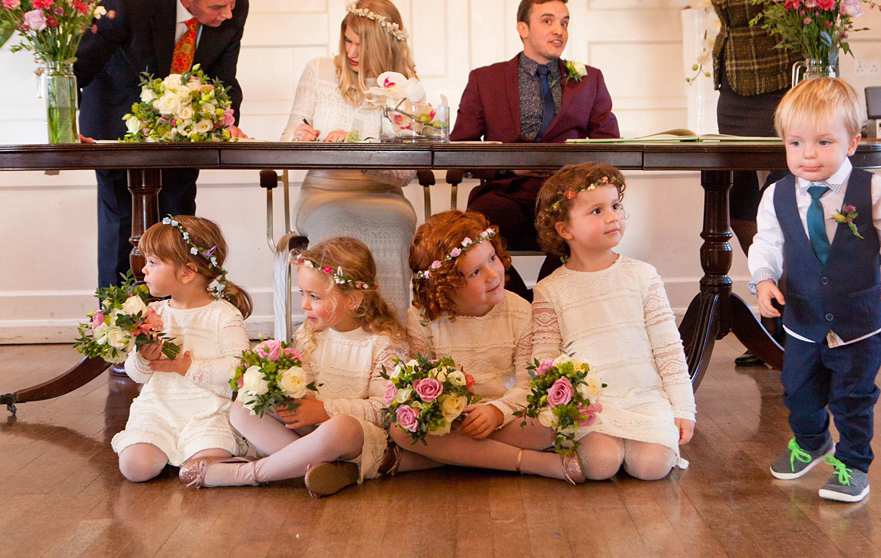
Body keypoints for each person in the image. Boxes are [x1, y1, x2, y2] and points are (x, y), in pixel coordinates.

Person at [748, 77, 881, 502]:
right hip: (804, 317)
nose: (808, 154)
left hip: (861, 319)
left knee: (852, 394)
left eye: (824, 142)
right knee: (797, 388)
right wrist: (764, 279)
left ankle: (854, 463)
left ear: (851, 142)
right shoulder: (776, 195)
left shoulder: (873, 189)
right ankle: (811, 441)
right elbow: (766, 242)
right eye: (795, 143)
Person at [180, 237, 435, 496]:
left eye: (314, 296)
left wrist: (324, 411)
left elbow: (383, 410)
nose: (304, 304)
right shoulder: (309, 333)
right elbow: (301, 386)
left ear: (353, 299)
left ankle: (250, 473)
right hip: (309, 429)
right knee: (243, 407)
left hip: (352, 435)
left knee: (339, 428)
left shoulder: (385, 342)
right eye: (302, 293)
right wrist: (280, 393)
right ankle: (321, 466)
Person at [75, 0, 249, 288]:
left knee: (179, 219)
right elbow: (83, 63)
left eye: (232, 0)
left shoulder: (235, 8)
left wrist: (228, 124)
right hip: (114, 125)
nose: (228, 12)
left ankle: (178, 315)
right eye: (218, 5)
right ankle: (119, 323)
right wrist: (65, 126)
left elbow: (224, 77)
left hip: (182, 131)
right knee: (122, 223)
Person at [390, 210, 585, 484]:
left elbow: (528, 386)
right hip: (451, 422)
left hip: (508, 415)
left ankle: (436, 458)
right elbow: (418, 389)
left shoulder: (519, 311)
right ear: (445, 287)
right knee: (401, 428)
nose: (494, 274)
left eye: (492, 258)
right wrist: (445, 413)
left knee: (548, 426)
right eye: (475, 272)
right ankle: (528, 462)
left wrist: (496, 412)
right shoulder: (422, 319)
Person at [450, 0, 620, 301]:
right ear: (523, 29)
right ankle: (519, 305)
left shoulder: (590, 79)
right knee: (481, 220)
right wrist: (508, 166)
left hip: (568, 196)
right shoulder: (484, 80)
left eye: (565, 23)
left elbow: (607, 143)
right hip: (507, 194)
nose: (559, 30)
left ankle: (545, 301)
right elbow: (461, 145)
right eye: (548, 21)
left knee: (581, 222)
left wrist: (571, 173)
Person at [532, 163, 696, 481]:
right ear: (565, 229)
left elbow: (669, 348)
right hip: (592, 403)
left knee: (652, 467)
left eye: (616, 206)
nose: (613, 217)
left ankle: (639, 441)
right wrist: (557, 407)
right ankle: (608, 444)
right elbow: (545, 359)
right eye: (597, 210)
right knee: (600, 464)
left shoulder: (642, 276)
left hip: (645, 395)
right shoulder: (550, 289)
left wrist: (683, 408)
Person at [275, 0, 418, 331]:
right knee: (336, 225)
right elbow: (283, 142)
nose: (352, 53)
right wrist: (300, 139)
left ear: (384, 46)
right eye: (348, 41)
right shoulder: (319, 70)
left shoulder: (404, 87)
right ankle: (333, 344)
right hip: (324, 195)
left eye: (362, 45)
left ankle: (389, 342)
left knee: (396, 227)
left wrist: (357, 148)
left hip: (385, 197)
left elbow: (404, 173)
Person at [709, 0, 816, 365]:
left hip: (779, 88)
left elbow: (813, 11)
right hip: (734, 90)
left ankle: (793, 330)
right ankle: (768, 321)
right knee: (739, 205)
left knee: (783, 205)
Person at [112, 215, 253, 482]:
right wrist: (143, 358)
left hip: (207, 413)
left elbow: (239, 366)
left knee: (201, 466)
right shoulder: (152, 312)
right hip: (157, 411)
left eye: (152, 262)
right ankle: (160, 449)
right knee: (135, 468)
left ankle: (214, 460)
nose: (143, 269)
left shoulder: (223, 315)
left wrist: (188, 367)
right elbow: (136, 375)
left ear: (187, 272)